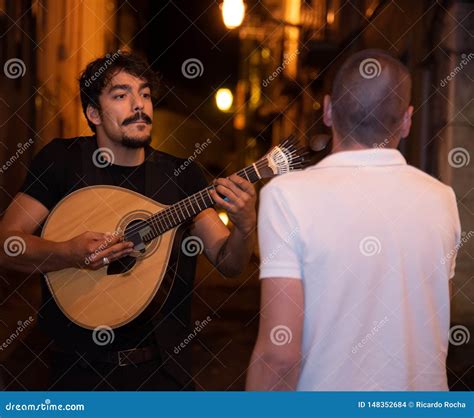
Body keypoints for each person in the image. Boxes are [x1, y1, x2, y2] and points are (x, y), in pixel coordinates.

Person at [0, 51, 257, 390]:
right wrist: (68, 253)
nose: (139, 105)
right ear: (93, 113)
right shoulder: (61, 161)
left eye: (145, 94)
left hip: (163, 373)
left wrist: (246, 225)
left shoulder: (182, 176)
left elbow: (229, 262)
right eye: (121, 95)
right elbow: (7, 244)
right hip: (79, 373)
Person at [246, 49, 461, 391]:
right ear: (406, 121)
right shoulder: (442, 199)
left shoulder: (285, 196)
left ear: (328, 110)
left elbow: (279, 356)